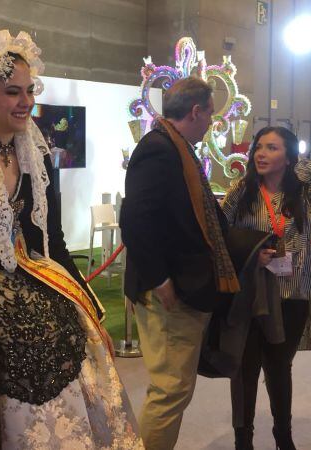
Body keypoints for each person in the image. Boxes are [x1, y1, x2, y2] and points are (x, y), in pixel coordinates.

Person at [0, 30, 142, 449]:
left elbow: (53, 241)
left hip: (41, 287)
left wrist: (89, 305)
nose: (26, 102)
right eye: (12, 92)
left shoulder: (35, 155)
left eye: (29, 91)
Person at [120, 76, 242, 450]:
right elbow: (136, 219)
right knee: (170, 390)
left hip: (183, 286)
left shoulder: (176, 147)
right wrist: (160, 279)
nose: (211, 123)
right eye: (210, 115)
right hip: (170, 291)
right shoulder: (159, 148)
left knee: (174, 389)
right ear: (195, 111)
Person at [222, 126, 311, 450]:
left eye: (272, 148)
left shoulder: (304, 195)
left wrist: (298, 162)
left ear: (288, 157)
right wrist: (250, 253)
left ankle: (283, 436)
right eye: (258, 147)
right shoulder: (242, 191)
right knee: (245, 370)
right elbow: (220, 235)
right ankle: (242, 439)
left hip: (292, 295)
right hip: (250, 294)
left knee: (279, 368)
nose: (261, 153)